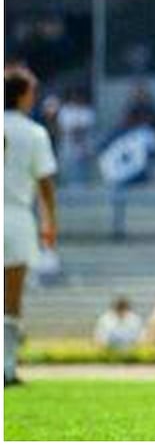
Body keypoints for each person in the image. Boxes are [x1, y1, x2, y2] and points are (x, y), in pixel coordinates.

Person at [4, 65, 60, 387]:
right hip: (15, 216)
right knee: (10, 299)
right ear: (24, 95)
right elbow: (45, 184)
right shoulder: (33, 132)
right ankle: (7, 367)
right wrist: (50, 220)